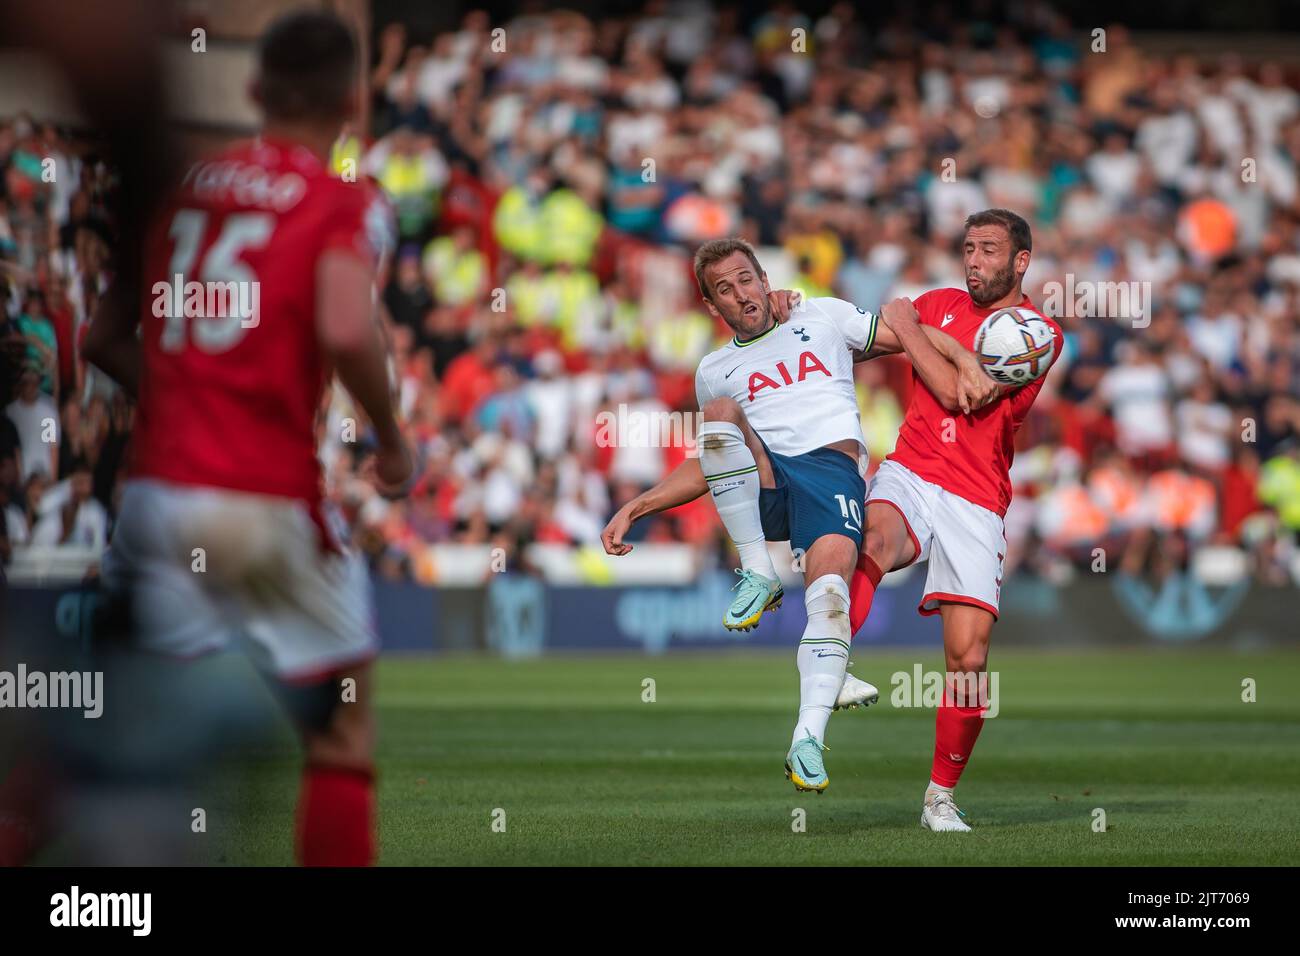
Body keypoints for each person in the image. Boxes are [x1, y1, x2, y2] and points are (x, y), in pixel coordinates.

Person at [81, 10, 412, 865]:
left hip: (153, 498)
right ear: (351, 98)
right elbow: (346, 324)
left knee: (107, 746)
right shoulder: (341, 200)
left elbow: (100, 338)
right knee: (340, 733)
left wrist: (189, 399)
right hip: (264, 493)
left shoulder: (179, 184)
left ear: (256, 89)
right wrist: (391, 437)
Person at [602, 237, 995, 793]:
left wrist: (962, 357)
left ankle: (806, 740)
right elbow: (709, 460)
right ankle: (758, 570)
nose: (740, 294)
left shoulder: (822, 316)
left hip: (831, 475)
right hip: (768, 479)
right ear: (713, 308)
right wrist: (637, 506)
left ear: (764, 278)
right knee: (718, 414)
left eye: (745, 279)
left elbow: (905, 333)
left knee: (830, 596)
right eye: (724, 290)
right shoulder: (714, 370)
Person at [843, 209, 1064, 831]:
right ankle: (829, 662)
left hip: (976, 496)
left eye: (989, 250)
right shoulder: (940, 301)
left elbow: (955, 393)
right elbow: (875, 332)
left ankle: (939, 796)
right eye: (968, 247)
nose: (974, 260)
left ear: (1021, 261)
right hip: (911, 467)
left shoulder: (1036, 332)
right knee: (873, 541)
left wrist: (910, 323)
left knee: (968, 662)